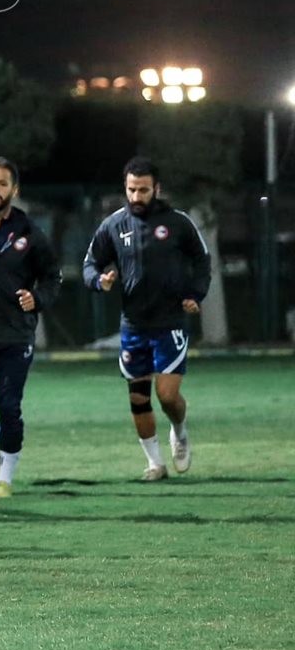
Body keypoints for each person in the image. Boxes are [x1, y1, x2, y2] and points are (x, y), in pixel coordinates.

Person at [82, 157, 210, 480]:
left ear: (157, 189)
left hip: (170, 322)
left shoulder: (177, 222)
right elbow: (89, 265)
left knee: (167, 396)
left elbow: (202, 259)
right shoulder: (113, 225)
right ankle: (155, 464)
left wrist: (195, 294)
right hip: (133, 325)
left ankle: (179, 431)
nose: (136, 196)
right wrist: (99, 281)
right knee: (138, 399)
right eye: (131, 190)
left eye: (143, 190)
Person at [0, 158, 62, 498]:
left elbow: (53, 278)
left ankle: (5, 477)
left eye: (2, 184)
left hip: (16, 334)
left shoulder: (30, 232)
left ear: (14, 190)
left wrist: (37, 298)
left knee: (9, 405)